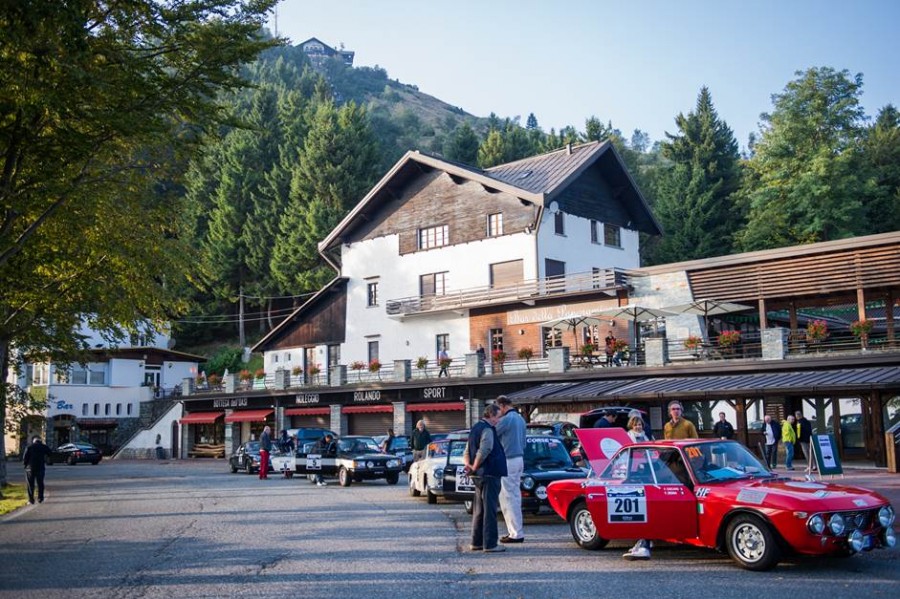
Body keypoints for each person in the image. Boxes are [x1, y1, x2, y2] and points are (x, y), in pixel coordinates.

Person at [464, 404, 508, 553]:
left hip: (478, 475)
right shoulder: (488, 429)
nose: (498, 420)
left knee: (478, 509)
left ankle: (476, 542)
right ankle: (490, 544)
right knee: (489, 509)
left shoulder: (475, 428)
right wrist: (475, 466)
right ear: (490, 415)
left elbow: (466, 450)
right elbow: (485, 450)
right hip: (489, 473)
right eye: (497, 417)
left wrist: (469, 466)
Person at [495, 395, 526, 544]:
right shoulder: (521, 419)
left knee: (508, 497)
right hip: (519, 458)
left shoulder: (506, 420)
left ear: (502, 406)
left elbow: (492, 433)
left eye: (497, 409)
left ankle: (515, 533)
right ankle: (517, 530)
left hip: (508, 459)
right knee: (515, 495)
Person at [623, 416, 651, 560]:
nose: (638, 427)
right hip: (632, 470)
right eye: (636, 425)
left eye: (640, 424)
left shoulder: (646, 436)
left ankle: (644, 541)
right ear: (631, 426)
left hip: (646, 469)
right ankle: (642, 541)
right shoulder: (628, 437)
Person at [23, 436, 52, 504]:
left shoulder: (29, 447)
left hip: (30, 468)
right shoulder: (44, 446)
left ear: (34, 441)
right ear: (40, 441)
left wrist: (25, 465)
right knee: (40, 483)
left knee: (30, 484)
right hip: (40, 467)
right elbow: (50, 453)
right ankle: (40, 498)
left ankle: (31, 500)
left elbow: (25, 458)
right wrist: (45, 459)